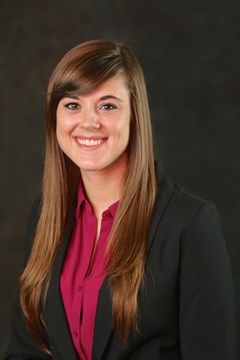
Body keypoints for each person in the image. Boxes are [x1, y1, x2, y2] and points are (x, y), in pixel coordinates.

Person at [4, 39, 236, 360]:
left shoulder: (190, 225)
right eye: (73, 104)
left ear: (134, 116)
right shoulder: (46, 214)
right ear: (54, 117)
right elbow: (25, 350)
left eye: (108, 105)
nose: (89, 122)